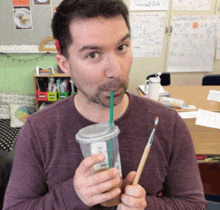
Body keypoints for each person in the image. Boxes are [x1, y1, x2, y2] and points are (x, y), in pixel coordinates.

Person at [3, 0, 206, 209]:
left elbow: (195, 205)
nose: (116, 71)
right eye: (93, 54)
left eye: (121, 47)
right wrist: (73, 195)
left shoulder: (167, 124)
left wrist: (146, 206)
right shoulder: (38, 130)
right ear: (65, 65)